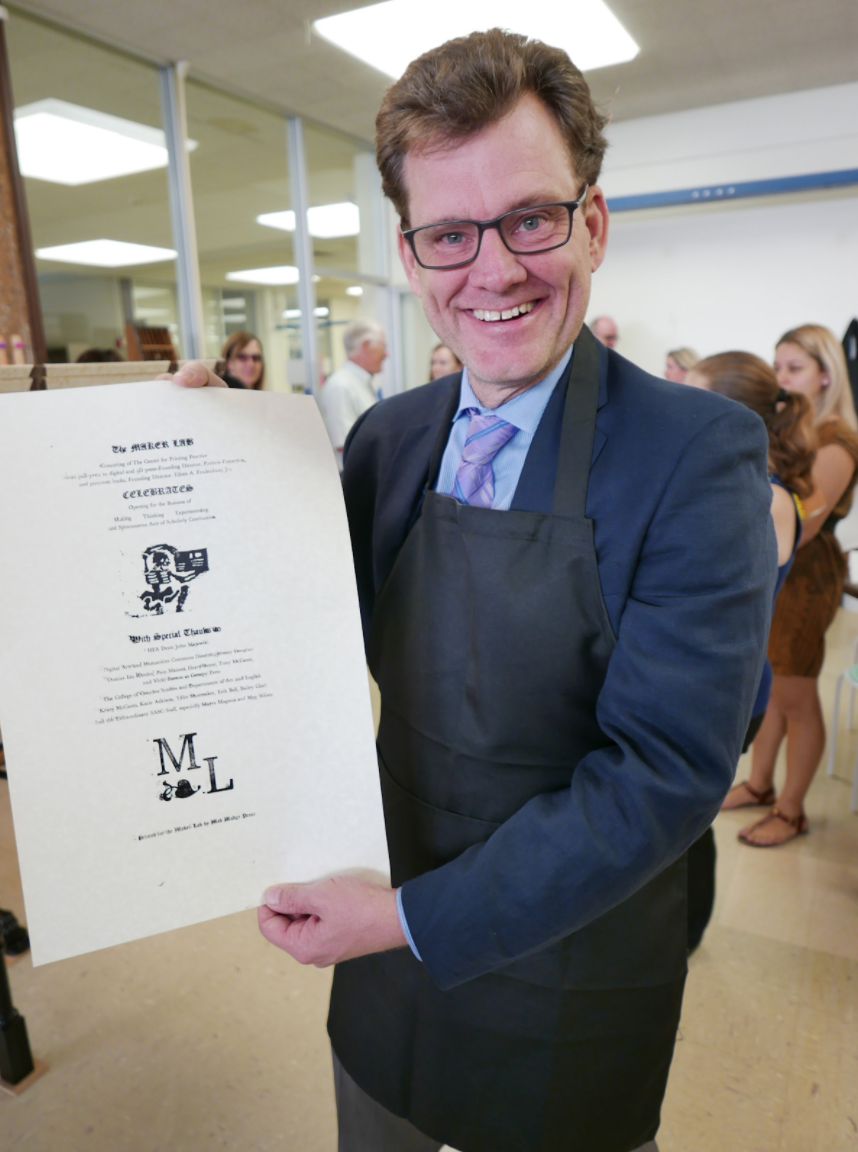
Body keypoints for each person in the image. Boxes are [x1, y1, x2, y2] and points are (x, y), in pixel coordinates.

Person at [171, 30, 774, 1152]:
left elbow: (667, 774)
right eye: (449, 234)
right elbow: (282, 635)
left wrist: (407, 917)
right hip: (382, 936)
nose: (492, 271)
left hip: (573, 945)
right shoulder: (388, 441)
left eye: (531, 220)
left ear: (592, 223)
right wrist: (183, 479)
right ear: (409, 255)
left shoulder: (699, 456)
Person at [683, 352, 815, 947]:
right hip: (707, 678)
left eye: (695, 398)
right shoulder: (731, 482)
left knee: (686, 818)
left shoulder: (766, 497)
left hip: (724, 686)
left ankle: (686, 930)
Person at [723, 325, 858, 845]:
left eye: (794, 368)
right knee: (773, 689)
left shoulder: (837, 438)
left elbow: (802, 524)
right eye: (777, 367)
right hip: (777, 569)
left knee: (797, 697)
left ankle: (792, 809)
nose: (781, 379)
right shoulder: (797, 428)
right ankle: (759, 784)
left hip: (805, 579)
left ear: (827, 375)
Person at [319, 319, 388, 463]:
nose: (386, 354)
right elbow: (345, 444)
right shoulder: (340, 386)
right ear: (367, 345)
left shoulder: (362, 383)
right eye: (383, 346)